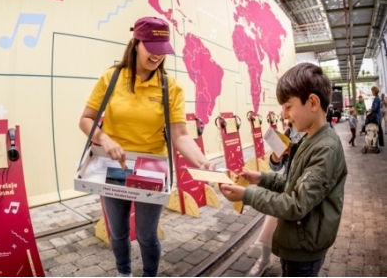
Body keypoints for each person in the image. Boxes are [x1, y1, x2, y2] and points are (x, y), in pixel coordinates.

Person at [78, 16, 215, 277]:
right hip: (114, 166)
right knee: (117, 232)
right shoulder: (112, 78)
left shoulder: (170, 87)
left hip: (151, 167)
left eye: (162, 51)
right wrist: (105, 139)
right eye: (151, 48)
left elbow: (180, 134)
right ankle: (124, 273)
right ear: (136, 43)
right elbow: (85, 120)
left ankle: (149, 274)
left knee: (146, 234)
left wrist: (201, 160)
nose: (157, 56)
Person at [220, 63, 348, 277]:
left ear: (313, 102)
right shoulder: (309, 139)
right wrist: (259, 178)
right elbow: (291, 183)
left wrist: (247, 195)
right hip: (298, 240)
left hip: (304, 249)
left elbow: (296, 204)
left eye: (288, 106)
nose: (284, 115)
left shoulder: (324, 148)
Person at [246, 123, 306, 277]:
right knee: (268, 231)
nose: (286, 114)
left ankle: (287, 267)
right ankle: (265, 260)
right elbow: (275, 167)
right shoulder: (287, 133)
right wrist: (276, 156)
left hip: (301, 193)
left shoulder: (312, 136)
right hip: (284, 189)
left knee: (291, 237)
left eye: (289, 107)